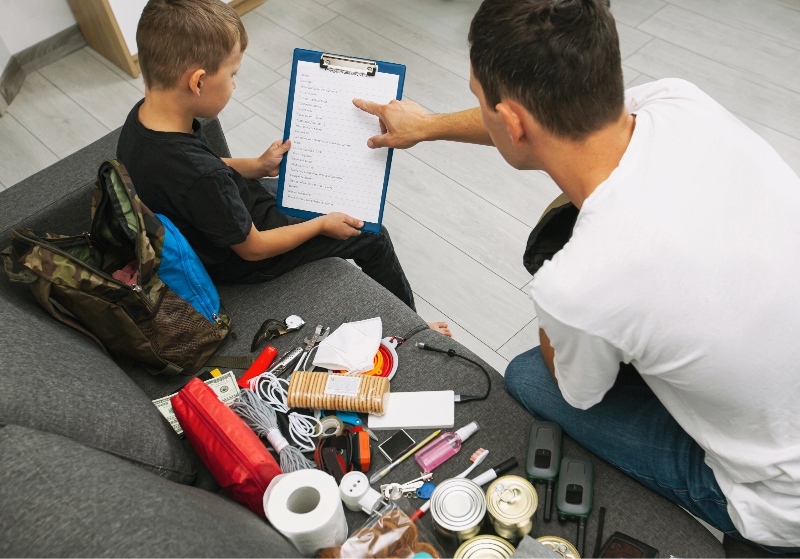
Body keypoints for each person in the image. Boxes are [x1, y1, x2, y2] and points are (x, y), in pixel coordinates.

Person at [353, 0, 800, 550]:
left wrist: (560, 309)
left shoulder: (579, 282)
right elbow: (549, 117)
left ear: (511, 122)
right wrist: (427, 126)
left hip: (785, 506)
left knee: (530, 377)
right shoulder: (679, 100)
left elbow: (578, 390)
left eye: (478, 98)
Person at [115, 0, 451, 335]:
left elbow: (201, 169)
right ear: (198, 81)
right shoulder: (203, 177)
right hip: (245, 253)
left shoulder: (145, 119)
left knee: (322, 193)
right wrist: (321, 225)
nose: (235, 83)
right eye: (232, 74)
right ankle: (415, 327)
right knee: (372, 236)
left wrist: (258, 166)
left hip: (223, 216)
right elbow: (253, 248)